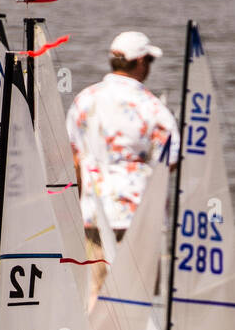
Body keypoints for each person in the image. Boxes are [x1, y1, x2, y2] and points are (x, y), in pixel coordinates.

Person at [66, 31, 179, 301]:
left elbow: (72, 158)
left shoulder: (84, 100)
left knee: (94, 295)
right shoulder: (152, 107)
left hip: (93, 210)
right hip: (139, 213)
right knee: (136, 301)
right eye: (149, 60)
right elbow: (171, 160)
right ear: (140, 62)